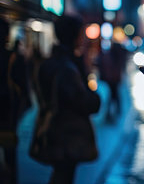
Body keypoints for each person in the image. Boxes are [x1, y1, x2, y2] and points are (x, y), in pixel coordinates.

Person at [29, 16, 100, 184]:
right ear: (74, 36)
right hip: (67, 136)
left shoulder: (47, 63)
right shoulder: (68, 67)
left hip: (50, 129)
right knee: (63, 175)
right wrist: (92, 91)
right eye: (81, 34)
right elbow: (85, 102)